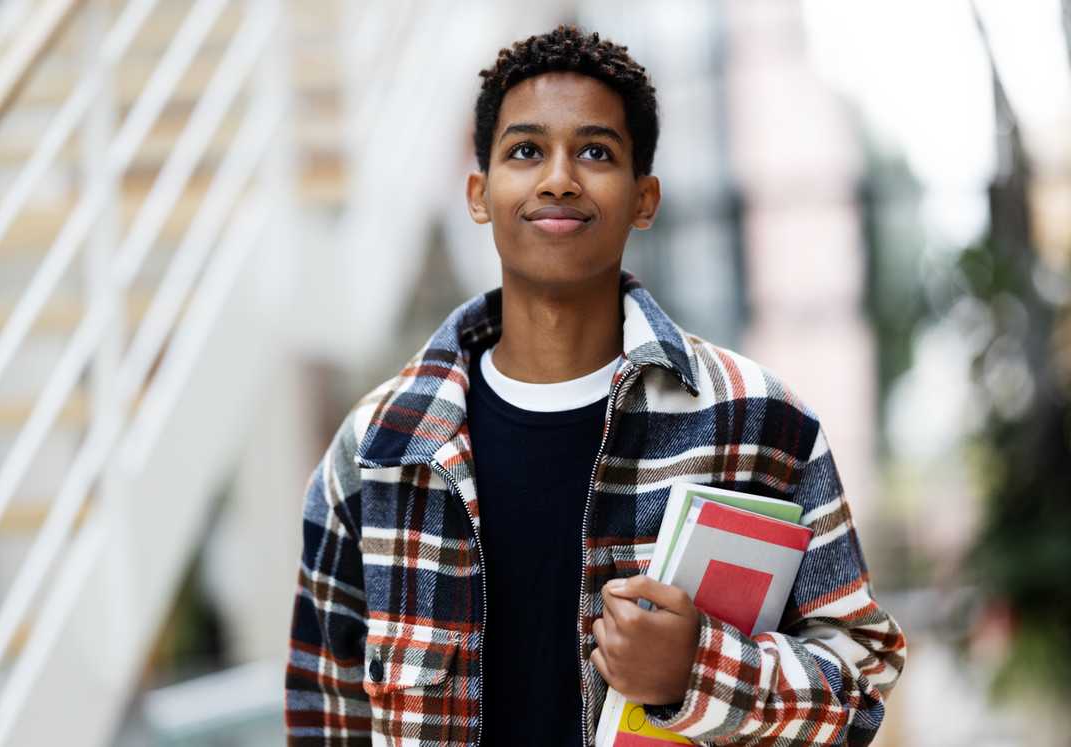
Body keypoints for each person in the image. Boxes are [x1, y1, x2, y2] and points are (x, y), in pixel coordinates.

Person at [284, 25, 906, 747]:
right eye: (525, 150)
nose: (558, 178)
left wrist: (699, 671)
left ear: (645, 199)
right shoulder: (375, 451)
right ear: (479, 193)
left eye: (595, 152)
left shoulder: (759, 421)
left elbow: (860, 681)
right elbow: (323, 718)